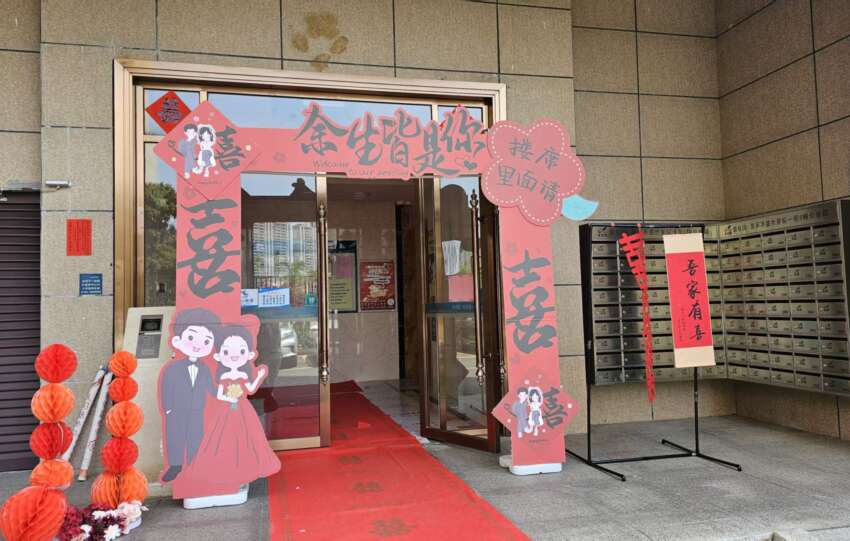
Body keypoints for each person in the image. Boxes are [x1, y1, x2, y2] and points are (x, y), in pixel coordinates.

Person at [184, 325, 281, 485]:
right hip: (227, 410)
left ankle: (241, 467)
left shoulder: (242, 374)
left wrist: (259, 377)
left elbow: (250, 389)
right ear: (218, 356)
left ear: (249, 354)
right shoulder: (223, 376)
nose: (235, 356)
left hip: (241, 409)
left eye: (241, 352)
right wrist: (229, 398)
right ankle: (226, 468)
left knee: (244, 437)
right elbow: (218, 392)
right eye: (227, 352)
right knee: (225, 437)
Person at [158, 308, 219, 483]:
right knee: (175, 437)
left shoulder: (205, 368)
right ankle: (175, 466)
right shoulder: (173, 368)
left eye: (206, 341)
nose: (198, 344)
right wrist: (168, 409)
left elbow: (211, 388)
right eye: (191, 338)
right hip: (176, 411)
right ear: (178, 340)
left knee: (195, 437)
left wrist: (227, 394)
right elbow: (166, 388)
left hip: (197, 410)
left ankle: (195, 464)